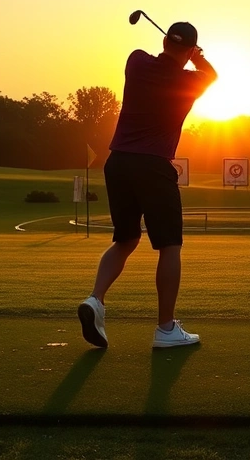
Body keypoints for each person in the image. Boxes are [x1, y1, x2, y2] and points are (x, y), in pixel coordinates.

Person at [79, 21, 217, 349]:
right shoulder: (190, 80)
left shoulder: (136, 61)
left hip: (119, 163)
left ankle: (95, 299)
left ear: (165, 41)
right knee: (169, 245)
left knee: (125, 239)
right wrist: (197, 58)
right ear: (189, 50)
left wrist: (183, 52)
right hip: (153, 165)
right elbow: (212, 75)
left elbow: (157, 57)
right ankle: (166, 329)